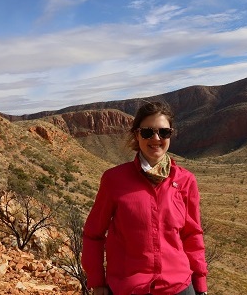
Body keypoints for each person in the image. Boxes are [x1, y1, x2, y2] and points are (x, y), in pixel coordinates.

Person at [82, 101, 208, 295]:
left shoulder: (185, 180)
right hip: (129, 288)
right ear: (137, 134)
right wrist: (97, 282)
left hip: (179, 287)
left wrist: (200, 284)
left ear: (170, 135)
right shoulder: (114, 180)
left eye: (164, 132)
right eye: (148, 132)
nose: (156, 138)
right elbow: (93, 234)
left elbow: (192, 235)